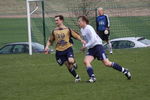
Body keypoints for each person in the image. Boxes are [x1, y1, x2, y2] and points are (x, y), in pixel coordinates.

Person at [78, 16, 131, 83]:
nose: (78, 23)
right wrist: (84, 44)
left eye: (79, 21)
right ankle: (92, 77)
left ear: (84, 21)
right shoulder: (82, 30)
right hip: (91, 48)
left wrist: (86, 46)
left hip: (98, 46)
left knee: (107, 63)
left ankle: (124, 70)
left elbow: (94, 40)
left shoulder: (89, 28)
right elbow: (86, 40)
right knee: (86, 61)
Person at [44, 15, 86, 82]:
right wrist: (47, 46)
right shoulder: (54, 31)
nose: (56, 22)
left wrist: (81, 40)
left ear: (62, 20)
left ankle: (74, 62)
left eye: (57, 20)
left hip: (68, 49)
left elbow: (76, 35)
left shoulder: (67, 29)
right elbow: (50, 40)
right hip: (59, 51)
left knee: (71, 61)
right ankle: (77, 77)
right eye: (55, 20)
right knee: (68, 65)